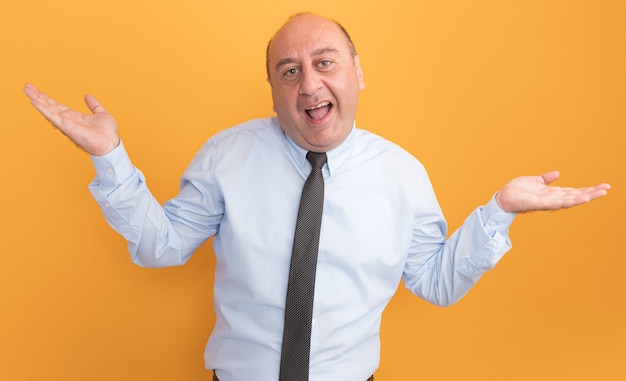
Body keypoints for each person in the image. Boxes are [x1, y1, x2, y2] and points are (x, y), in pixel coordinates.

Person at [24, 12, 609, 381]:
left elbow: (434, 282)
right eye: (288, 70)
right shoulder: (227, 155)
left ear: (357, 72)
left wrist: (498, 212)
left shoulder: (402, 174)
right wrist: (110, 157)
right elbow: (161, 247)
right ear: (274, 89)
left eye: (324, 63)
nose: (308, 83)